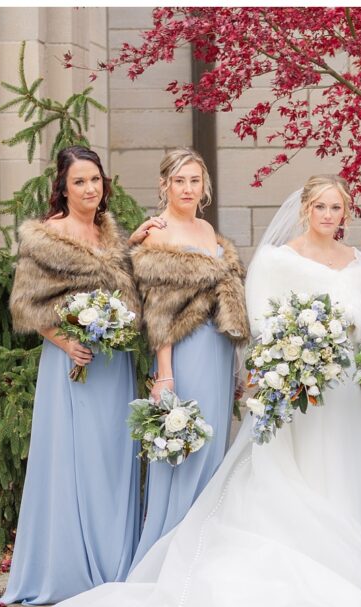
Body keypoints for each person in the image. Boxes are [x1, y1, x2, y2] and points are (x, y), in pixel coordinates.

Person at [46, 175, 361, 607]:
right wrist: (294, 359)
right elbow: (261, 323)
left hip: (348, 394)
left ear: (347, 213)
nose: (327, 216)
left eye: (336, 208)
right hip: (299, 388)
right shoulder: (279, 260)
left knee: (349, 465)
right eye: (319, 206)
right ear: (305, 210)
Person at [0, 146, 141, 605]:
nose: (90, 189)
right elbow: (26, 305)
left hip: (112, 366)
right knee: (73, 461)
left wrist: (138, 241)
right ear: (63, 187)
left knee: (112, 462)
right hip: (72, 363)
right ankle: (66, 569)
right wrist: (65, 343)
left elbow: (126, 286)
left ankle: (114, 563)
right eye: (79, 181)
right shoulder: (47, 236)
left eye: (95, 180)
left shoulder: (111, 234)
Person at [126, 147, 250, 571]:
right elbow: (158, 312)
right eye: (179, 180)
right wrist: (164, 374)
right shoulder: (158, 235)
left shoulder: (208, 231)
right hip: (184, 351)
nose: (187, 188)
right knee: (183, 447)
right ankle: (167, 554)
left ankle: (202, 556)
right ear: (165, 185)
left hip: (216, 352)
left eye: (194, 180)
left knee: (213, 447)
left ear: (205, 186)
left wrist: (236, 367)